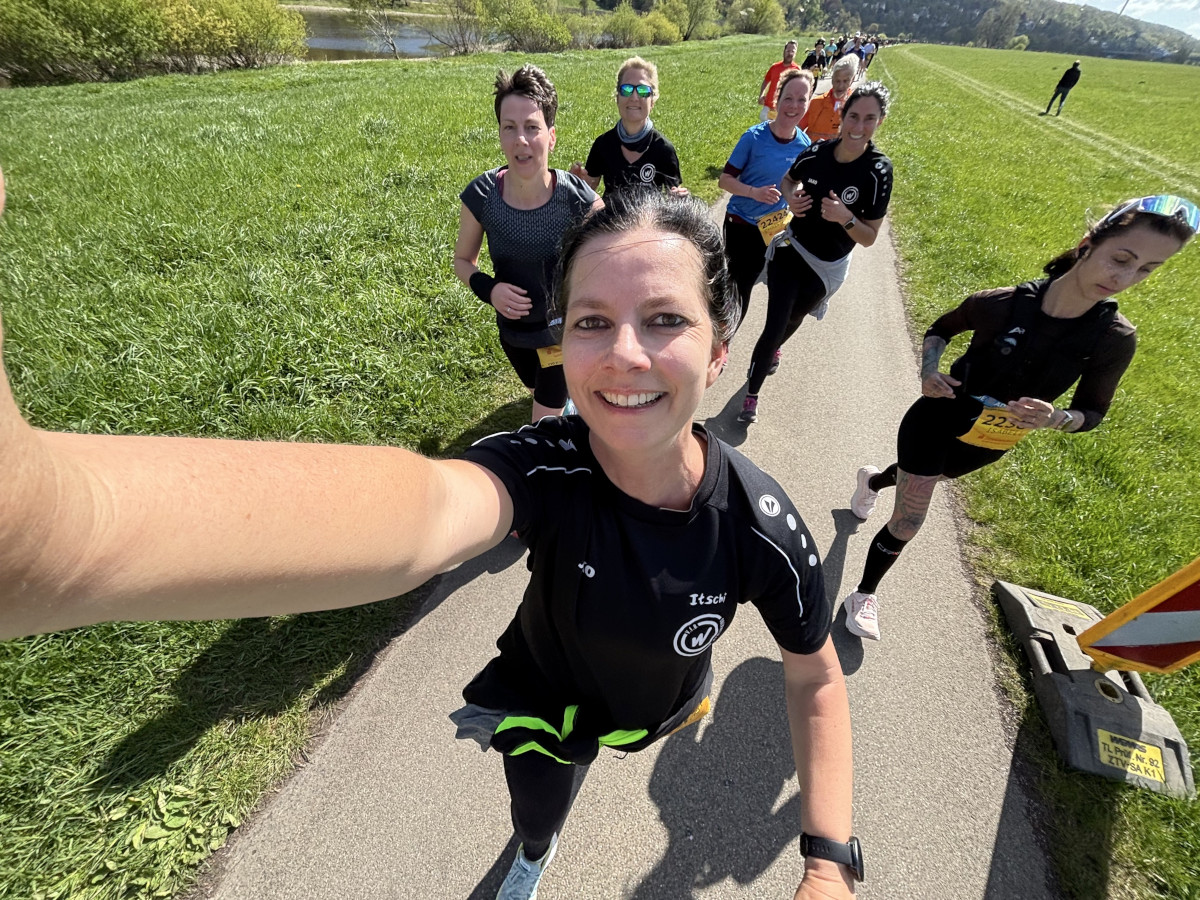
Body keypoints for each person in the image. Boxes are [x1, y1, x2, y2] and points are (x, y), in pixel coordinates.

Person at [0, 176, 859, 900]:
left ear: (720, 351)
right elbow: (427, 513)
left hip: (661, 705)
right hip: (544, 698)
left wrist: (827, 864)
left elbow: (816, 676)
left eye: (665, 320)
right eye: (591, 321)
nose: (624, 354)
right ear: (563, 342)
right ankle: (533, 854)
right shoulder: (543, 465)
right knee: (537, 808)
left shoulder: (761, 525)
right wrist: (57, 530)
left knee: (641, 723)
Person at [842, 195, 1198, 641]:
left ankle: (873, 481)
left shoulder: (1113, 338)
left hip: (991, 441)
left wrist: (1056, 417)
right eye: (1121, 259)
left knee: (921, 480)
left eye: (1146, 270)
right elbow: (942, 329)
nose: (1125, 278)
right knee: (910, 519)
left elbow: (1093, 413)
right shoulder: (1003, 303)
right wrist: (930, 370)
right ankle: (864, 594)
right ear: (1088, 244)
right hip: (937, 417)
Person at [738, 82, 894, 424]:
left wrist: (845, 218)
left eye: (869, 119)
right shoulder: (818, 152)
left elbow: (869, 237)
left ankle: (773, 350)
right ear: (843, 115)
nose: (858, 126)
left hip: (827, 267)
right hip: (792, 249)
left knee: (793, 319)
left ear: (879, 121)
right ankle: (752, 394)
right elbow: (787, 180)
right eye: (853, 116)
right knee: (774, 324)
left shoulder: (878, 172)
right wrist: (791, 197)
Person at [454, 65, 602, 423]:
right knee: (538, 389)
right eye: (510, 127)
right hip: (513, 334)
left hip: (561, 334)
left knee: (543, 427)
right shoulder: (481, 195)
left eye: (532, 127)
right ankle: (567, 401)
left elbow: (614, 259)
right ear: (500, 134)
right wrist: (491, 290)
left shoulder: (578, 200)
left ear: (551, 136)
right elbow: (462, 261)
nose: (520, 139)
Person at [718, 69, 814, 329]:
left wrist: (794, 199)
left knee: (778, 286)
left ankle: (769, 340)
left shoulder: (804, 146)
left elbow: (799, 185)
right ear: (777, 99)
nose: (794, 106)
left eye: (802, 100)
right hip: (741, 223)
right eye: (788, 98)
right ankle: (724, 338)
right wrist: (754, 192)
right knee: (740, 285)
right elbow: (724, 180)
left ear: (808, 103)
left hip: (775, 227)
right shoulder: (754, 138)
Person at [570, 56, 686, 198]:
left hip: (649, 214)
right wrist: (576, 184)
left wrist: (679, 198)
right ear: (617, 98)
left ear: (652, 101)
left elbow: (674, 198)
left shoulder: (663, 149)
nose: (634, 97)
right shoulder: (603, 144)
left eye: (643, 90)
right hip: (610, 214)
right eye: (627, 89)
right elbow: (587, 191)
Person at [800, 56, 858, 143]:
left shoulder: (855, 107)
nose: (840, 86)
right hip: (812, 150)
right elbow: (798, 129)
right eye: (837, 81)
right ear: (832, 78)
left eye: (845, 81)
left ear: (853, 79)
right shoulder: (816, 103)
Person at [758, 40, 801, 122]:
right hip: (768, 106)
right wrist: (761, 95)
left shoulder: (797, 70)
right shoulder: (774, 67)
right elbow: (766, 80)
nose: (790, 53)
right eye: (788, 51)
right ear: (784, 51)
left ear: (795, 53)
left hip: (783, 108)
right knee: (764, 128)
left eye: (793, 51)